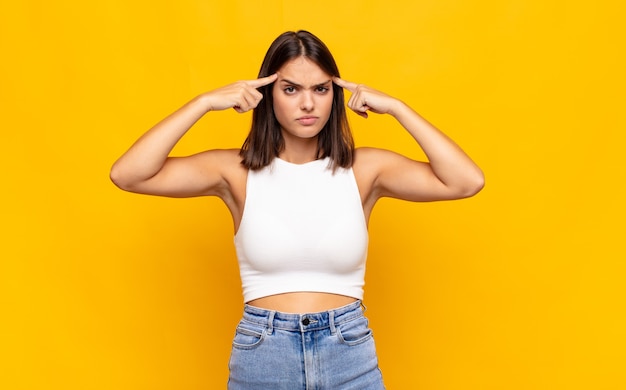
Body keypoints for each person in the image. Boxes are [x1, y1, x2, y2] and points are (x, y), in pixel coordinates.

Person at [110, 30, 484, 389]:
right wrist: (203, 103)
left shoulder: (365, 170)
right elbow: (128, 175)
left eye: (320, 89)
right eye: (291, 89)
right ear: (267, 95)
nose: (308, 104)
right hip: (264, 354)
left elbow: (466, 181)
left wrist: (399, 109)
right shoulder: (235, 172)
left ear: (334, 95)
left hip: (348, 351)